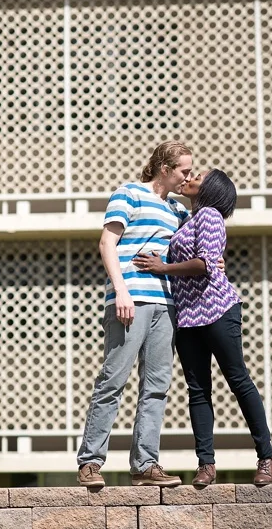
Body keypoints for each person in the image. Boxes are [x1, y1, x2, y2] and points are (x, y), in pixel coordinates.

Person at [133, 169, 272, 487]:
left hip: (217, 311)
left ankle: (267, 457)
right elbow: (201, 257)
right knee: (198, 392)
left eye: (197, 175)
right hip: (187, 318)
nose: (189, 177)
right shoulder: (189, 219)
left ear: (210, 187)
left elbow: (206, 264)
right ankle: (206, 465)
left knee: (238, 380)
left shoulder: (210, 215)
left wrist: (164, 267)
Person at [77, 140, 192, 488]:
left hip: (166, 306)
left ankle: (145, 465)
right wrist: (121, 289)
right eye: (184, 170)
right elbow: (106, 243)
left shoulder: (178, 211)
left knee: (157, 387)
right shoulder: (128, 193)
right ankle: (90, 463)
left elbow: (198, 238)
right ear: (165, 169)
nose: (188, 177)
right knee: (113, 380)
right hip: (129, 302)